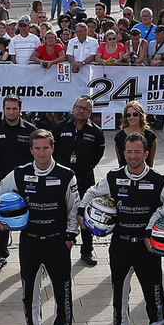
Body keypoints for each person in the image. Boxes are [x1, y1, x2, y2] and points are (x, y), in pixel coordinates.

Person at [0, 130, 80, 325]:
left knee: (62, 290)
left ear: (52, 148)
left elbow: (73, 209)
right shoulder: (20, 174)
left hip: (57, 242)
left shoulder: (67, 175)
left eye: (45, 147)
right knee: (30, 292)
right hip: (29, 242)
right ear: (30, 150)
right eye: (37, 148)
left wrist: (70, 238)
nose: (41, 152)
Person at [85, 133, 164, 325]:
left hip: (147, 249)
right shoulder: (113, 177)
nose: (132, 156)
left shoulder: (159, 180)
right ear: (123, 153)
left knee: (154, 296)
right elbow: (90, 194)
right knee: (119, 295)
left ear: (146, 153)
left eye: (137, 152)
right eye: (128, 152)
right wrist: (81, 213)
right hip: (120, 246)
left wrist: (156, 223)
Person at [52, 94, 106, 266]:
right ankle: (60, 247)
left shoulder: (96, 131)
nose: (81, 111)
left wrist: (86, 166)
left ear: (91, 112)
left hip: (85, 179)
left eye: (86, 109)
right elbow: (53, 150)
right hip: (62, 180)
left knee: (85, 216)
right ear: (73, 107)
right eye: (79, 107)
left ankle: (87, 250)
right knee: (60, 214)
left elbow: (98, 155)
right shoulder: (59, 128)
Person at [0, 96, 35, 270]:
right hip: (2, 180)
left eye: (14, 108)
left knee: (30, 219)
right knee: (2, 219)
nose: (11, 111)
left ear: (20, 109)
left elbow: (34, 156)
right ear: (3, 109)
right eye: (8, 108)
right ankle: (0, 255)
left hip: (26, 182)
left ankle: (32, 256)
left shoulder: (30, 130)